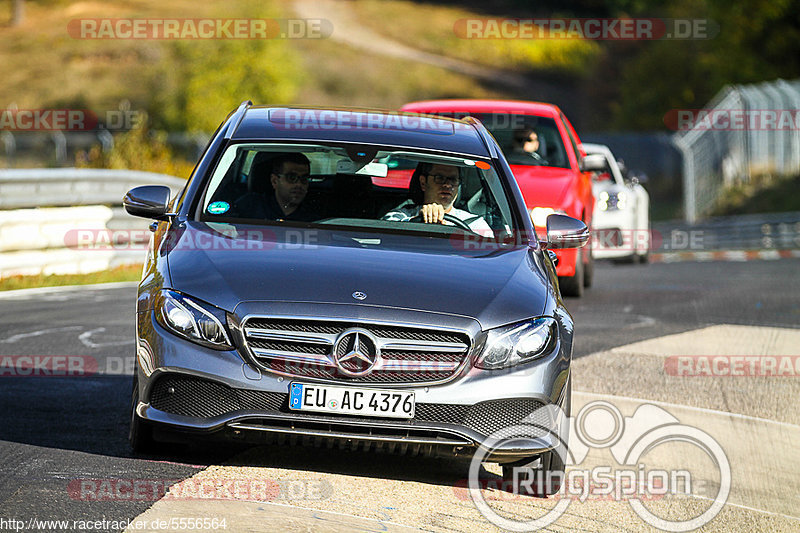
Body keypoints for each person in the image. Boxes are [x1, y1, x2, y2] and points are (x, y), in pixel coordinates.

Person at [382, 162, 492, 233]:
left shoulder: (475, 224)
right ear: (423, 183)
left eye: (453, 180)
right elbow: (384, 233)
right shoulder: (400, 216)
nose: (448, 185)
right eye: (440, 178)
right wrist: (416, 222)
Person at [234, 153, 318, 222]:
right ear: (274, 181)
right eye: (291, 178)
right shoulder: (249, 206)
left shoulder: (316, 216)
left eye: (304, 179)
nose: (299, 184)